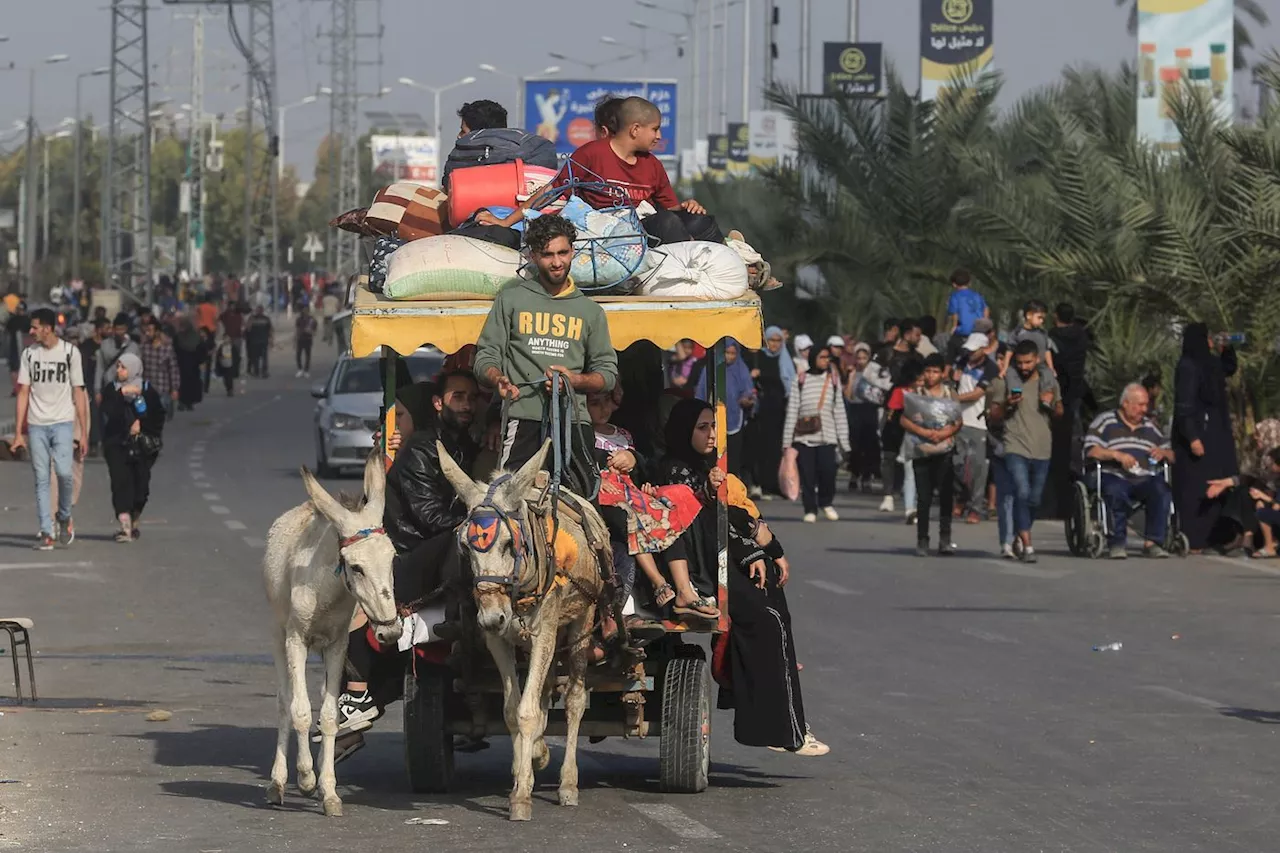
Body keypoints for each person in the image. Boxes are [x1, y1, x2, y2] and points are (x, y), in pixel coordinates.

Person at [658, 398, 828, 756]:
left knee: (776, 606)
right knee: (765, 620)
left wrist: (767, 546)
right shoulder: (674, 470)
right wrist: (755, 548)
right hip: (698, 567)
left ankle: (786, 722)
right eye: (701, 427)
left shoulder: (709, 466)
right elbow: (707, 522)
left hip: (721, 556)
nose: (711, 435)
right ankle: (778, 729)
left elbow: (732, 515)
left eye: (713, 426)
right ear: (683, 429)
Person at [333, 371, 481, 742]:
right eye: (457, 397)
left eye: (471, 398)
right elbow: (431, 517)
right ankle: (357, 695)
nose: (466, 405)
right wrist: (478, 529)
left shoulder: (463, 445)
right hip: (409, 558)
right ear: (437, 404)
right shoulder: (420, 449)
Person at [474, 214, 618, 498]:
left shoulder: (591, 312)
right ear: (532, 255)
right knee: (509, 505)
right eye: (547, 255)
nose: (556, 262)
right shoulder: (511, 299)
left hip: (574, 424)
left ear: (573, 251)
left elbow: (608, 375)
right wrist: (498, 379)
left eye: (563, 253)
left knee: (584, 506)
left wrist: (574, 380)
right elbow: (484, 358)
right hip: (523, 418)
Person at [569, 97, 721, 245]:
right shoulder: (590, 154)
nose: (659, 136)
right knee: (666, 222)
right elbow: (557, 192)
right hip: (612, 231)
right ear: (634, 129)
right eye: (655, 129)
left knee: (697, 219)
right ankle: (690, 255)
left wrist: (687, 207)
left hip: (648, 223)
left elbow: (671, 208)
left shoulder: (652, 164)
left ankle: (734, 258)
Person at [11, 308, 89, 550]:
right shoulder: (29, 355)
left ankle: (64, 516)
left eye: (34, 327)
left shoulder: (69, 353)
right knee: (42, 478)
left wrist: (84, 433)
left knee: (65, 473)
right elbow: (23, 391)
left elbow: (79, 391)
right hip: (37, 425)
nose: (31, 332)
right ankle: (47, 530)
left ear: (47, 328)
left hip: (64, 423)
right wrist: (17, 433)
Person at [988, 340, 1063, 562]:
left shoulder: (1048, 381)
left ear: (1037, 359)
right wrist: (1008, 404)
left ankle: (1020, 534)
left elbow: (1060, 412)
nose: (1023, 367)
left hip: (1042, 447)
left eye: (1028, 362)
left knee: (1034, 498)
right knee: (1021, 491)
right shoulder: (1005, 382)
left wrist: (1050, 403)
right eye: (1019, 363)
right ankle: (1028, 544)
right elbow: (994, 415)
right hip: (1015, 445)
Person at [1084, 383, 1175, 559]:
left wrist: (1163, 452)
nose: (1144, 409)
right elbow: (1091, 450)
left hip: (1143, 476)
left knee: (1161, 489)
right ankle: (1117, 543)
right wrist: (1117, 455)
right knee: (1115, 490)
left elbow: (1172, 455)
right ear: (1125, 403)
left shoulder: (1151, 426)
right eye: (1140, 405)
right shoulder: (1105, 421)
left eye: (1146, 404)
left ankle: (1153, 542)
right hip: (1113, 474)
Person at [1173, 323, 1240, 553]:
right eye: (1208, 337)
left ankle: (1215, 537)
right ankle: (1193, 539)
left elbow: (1228, 367)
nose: (1211, 340)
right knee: (1194, 488)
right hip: (1197, 434)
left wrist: (1227, 348)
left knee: (1217, 482)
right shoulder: (1188, 366)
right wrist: (1192, 437)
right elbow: (1184, 405)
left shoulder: (1210, 363)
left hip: (1216, 432)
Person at [900, 353, 963, 555]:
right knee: (924, 497)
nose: (931, 375)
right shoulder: (915, 393)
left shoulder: (949, 393)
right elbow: (904, 419)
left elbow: (958, 421)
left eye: (935, 371)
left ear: (942, 373)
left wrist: (945, 433)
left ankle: (945, 538)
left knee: (945, 496)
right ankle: (922, 539)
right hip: (921, 450)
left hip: (944, 449)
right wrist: (923, 432)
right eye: (928, 371)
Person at [100, 353, 165, 542]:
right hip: (117, 444)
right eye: (118, 367)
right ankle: (125, 526)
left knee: (140, 487)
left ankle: (135, 517)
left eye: (123, 367)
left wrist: (141, 426)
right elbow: (107, 411)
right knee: (120, 483)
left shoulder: (146, 390)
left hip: (142, 448)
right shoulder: (112, 390)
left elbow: (159, 416)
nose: (119, 371)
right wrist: (121, 394)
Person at [782, 345, 849, 524]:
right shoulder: (800, 379)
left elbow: (839, 411)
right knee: (807, 476)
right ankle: (810, 508)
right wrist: (787, 441)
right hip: (803, 437)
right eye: (822, 357)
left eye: (828, 357)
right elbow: (792, 410)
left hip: (828, 435)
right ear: (813, 358)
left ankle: (826, 503)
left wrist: (844, 442)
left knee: (828, 472)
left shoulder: (834, 380)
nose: (826, 360)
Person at [441, 99, 558, 188]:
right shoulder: (528, 146)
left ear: (477, 134)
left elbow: (448, 186)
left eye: (463, 131)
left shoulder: (463, 155)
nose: (459, 136)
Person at [953, 333, 998, 524]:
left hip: (977, 423)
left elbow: (977, 393)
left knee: (978, 468)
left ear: (984, 349)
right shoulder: (961, 361)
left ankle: (975, 508)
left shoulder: (990, 368)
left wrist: (953, 398)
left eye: (973, 350)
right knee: (958, 464)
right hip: (957, 420)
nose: (969, 354)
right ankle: (962, 498)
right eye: (968, 350)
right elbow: (953, 380)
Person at [696, 338, 756, 479]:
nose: (730, 356)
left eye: (733, 353)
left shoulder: (741, 368)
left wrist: (747, 399)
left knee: (733, 458)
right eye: (727, 353)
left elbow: (748, 391)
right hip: (713, 420)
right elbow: (701, 391)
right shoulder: (710, 368)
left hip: (735, 419)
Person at [751, 326, 796, 496]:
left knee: (778, 447)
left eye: (778, 340)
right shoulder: (759, 357)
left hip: (781, 409)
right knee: (762, 447)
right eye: (772, 340)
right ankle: (762, 483)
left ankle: (778, 484)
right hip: (762, 409)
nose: (775, 344)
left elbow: (789, 383)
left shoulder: (785, 359)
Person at [844, 342, 880, 492]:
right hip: (855, 410)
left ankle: (867, 476)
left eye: (864, 358)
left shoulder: (874, 372)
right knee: (855, 445)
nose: (861, 361)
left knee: (869, 445)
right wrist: (851, 378)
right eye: (858, 358)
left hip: (870, 409)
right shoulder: (853, 373)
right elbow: (848, 395)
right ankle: (854, 474)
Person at [1002, 299, 1057, 377]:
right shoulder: (1018, 333)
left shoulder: (1043, 333)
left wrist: (1051, 368)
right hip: (1021, 369)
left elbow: (1047, 351)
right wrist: (1005, 368)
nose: (1041, 321)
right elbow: (1009, 351)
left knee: (1048, 380)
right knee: (1012, 380)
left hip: (1040, 368)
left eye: (1043, 319)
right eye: (1039, 317)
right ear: (1028, 315)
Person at [139, 318, 180, 421]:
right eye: (146, 331)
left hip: (163, 388)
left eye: (150, 330)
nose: (147, 333)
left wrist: (175, 388)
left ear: (157, 332)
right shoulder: (144, 347)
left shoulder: (167, 348)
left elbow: (173, 369)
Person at [944, 269, 989, 360]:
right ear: (969, 283)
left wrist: (954, 326)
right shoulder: (977, 295)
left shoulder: (955, 296)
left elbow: (955, 313)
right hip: (979, 331)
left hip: (963, 332)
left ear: (954, 284)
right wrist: (985, 323)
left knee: (951, 352)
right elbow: (986, 309)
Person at [94, 313, 140, 400]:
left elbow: (138, 371)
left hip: (128, 390)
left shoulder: (133, 347)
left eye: (122, 329)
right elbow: (100, 368)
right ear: (113, 330)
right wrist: (97, 391)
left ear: (126, 329)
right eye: (117, 329)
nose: (120, 332)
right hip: (109, 388)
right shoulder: (105, 345)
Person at [80, 318, 107, 455]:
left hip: (107, 385)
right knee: (93, 414)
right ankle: (93, 443)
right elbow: (82, 365)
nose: (108, 331)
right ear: (97, 330)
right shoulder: (87, 346)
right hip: (90, 384)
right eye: (105, 328)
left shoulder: (109, 346)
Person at [173, 319, 205, 411]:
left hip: (191, 365)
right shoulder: (179, 337)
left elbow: (201, 349)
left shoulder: (195, 337)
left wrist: (200, 361)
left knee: (189, 385)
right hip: (184, 365)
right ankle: (183, 403)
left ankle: (188, 403)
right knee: (183, 384)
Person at [6, 301, 29, 395]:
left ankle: (19, 388)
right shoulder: (27, 320)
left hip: (21, 347)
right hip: (17, 347)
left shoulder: (13, 320)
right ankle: (18, 388)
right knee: (15, 369)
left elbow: (7, 330)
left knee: (17, 368)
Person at [245, 304, 274, 378]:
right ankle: (256, 372)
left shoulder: (266, 319)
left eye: (260, 310)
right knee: (255, 358)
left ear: (262, 311)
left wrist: (271, 340)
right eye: (258, 310)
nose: (259, 311)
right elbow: (248, 328)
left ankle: (264, 372)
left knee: (264, 357)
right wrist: (251, 319)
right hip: (254, 341)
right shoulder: (252, 318)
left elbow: (270, 329)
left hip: (263, 341)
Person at [294, 305, 318, 378]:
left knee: (307, 355)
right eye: (304, 310)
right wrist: (295, 339)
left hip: (308, 339)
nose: (305, 312)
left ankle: (306, 370)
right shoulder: (299, 319)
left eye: (307, 310)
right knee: (298, 355)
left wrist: (312, 332)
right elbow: (297, 329)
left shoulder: (312, 320)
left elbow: (315, 330)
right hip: (300, 339)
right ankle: (300, 369)